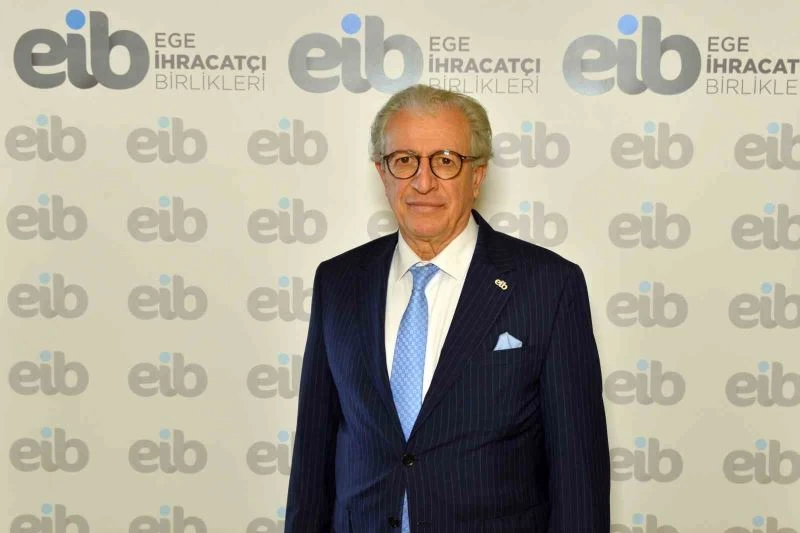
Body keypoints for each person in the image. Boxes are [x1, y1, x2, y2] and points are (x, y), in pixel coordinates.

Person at [285, 85, 609, 532]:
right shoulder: (339, 282)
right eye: (404, 161)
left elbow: (579, 481)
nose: (423, 182)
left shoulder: (548, 286)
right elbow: (312, 463)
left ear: (477, 175)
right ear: (382, 173)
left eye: (445, 160)